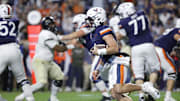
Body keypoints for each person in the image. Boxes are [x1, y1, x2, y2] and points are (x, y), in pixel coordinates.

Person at [58, 7, 160, 101]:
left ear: (98, 18)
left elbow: (114, 48)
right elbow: (104, 54)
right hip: (109, 62)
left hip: (117, 60)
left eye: (90, 19)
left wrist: (99, 51)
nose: (88, 22)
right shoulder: (95, 32)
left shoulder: (104, 29)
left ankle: (144, 87)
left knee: (118, 89)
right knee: (115, 94)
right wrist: (99, 68)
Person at [115, 2, 161, 101]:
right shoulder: (142, 14)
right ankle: (151, 87)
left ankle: (141, 96)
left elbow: (119, 36)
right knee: (155, 69)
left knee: (138, 74)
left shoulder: (123, 22)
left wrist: (116, 31)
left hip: (135, 47)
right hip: (148, 44)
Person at [15, 16, 67, 101]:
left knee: (59, 77)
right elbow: (57, 48)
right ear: (47, 25)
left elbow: (61, 41)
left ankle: (53, 98)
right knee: (41, 83)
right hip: (40, 61)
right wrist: (67, 47)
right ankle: (22, 96)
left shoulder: (51, 34)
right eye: (51, 24)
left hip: (49, 61)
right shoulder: (45, 34)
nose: (53, 26)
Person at [71, 14, 112, 101]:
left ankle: (107, 96)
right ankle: (108, 95)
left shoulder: (88, 29)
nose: (74, 26)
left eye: (75, 23)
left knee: (94, 75)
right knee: (102, 76)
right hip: (99, 54)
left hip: (103, 53)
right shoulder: (83, 32)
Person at [0, 4, 34, 101]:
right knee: (23, 79)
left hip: (1, 50)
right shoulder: (15, 21)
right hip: (14, 49)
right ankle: (30, 99)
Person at [152, 25, 180, 101]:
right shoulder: (177, 30)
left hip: (154, 49)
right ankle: (168, 97)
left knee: (155, 71)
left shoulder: (171, 31)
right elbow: (177, 37)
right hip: (160, 49)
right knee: (172, 71)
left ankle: (149, 93)